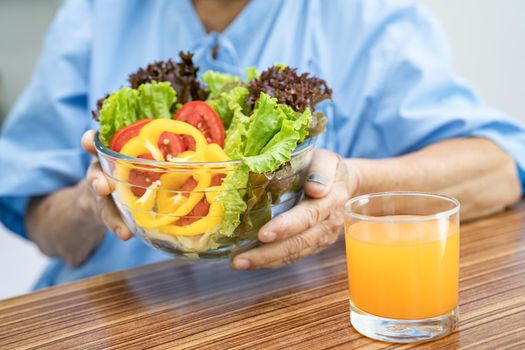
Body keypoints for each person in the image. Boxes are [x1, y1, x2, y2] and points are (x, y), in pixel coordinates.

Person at [1, 0, 524, 288]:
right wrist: (101, 198)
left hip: (285, 323)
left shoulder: (370, 20)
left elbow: (501, 167)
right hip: (112, 318)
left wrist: (354, 187)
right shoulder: (96, 13)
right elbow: (42, 221)